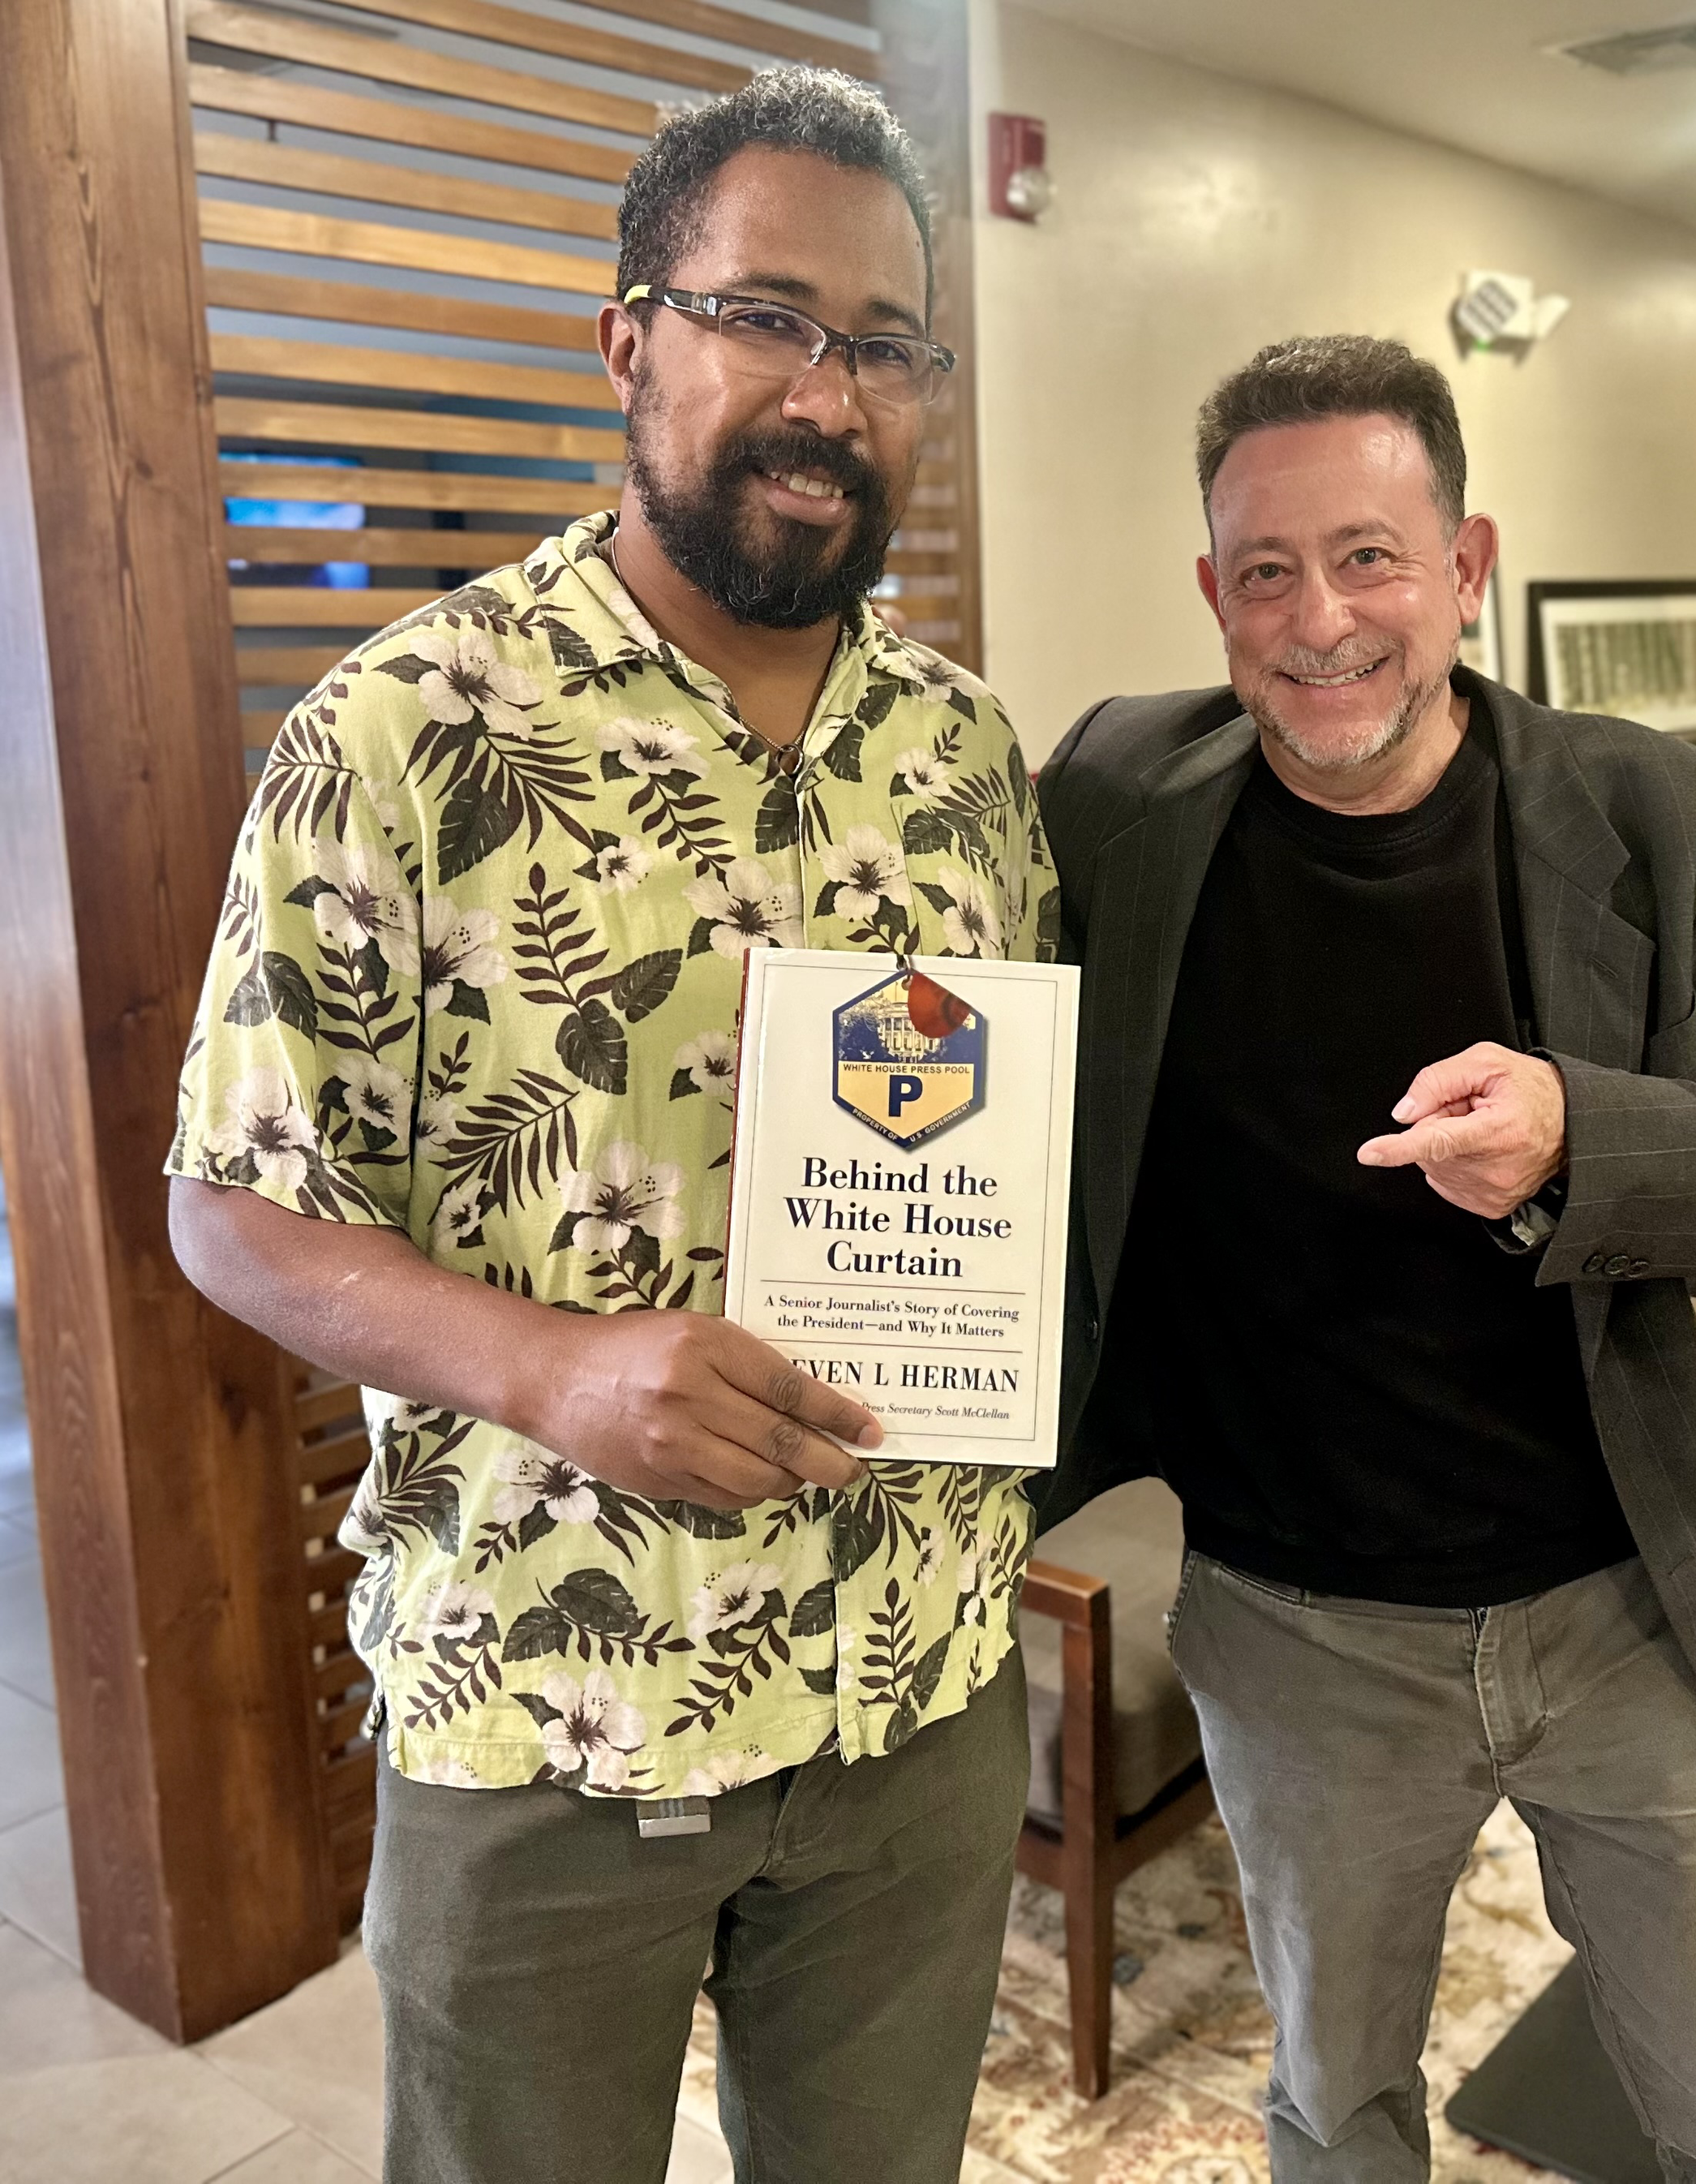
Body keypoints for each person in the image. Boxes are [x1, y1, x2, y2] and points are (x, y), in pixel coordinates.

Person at [165, 68, 1056, 2184]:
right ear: (632, 336)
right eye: (766, 315)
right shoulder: (402, 729)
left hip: (910, 1692)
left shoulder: (964, 755)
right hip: (550, 1715)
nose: (825, 391)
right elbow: (236, 1207)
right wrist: (552, 1364)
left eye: (884, 345)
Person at [1034, 335, 1696, 2183]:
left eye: (1368, 556)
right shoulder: (1113, 798)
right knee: (1335, 2112)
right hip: (1291, 1629)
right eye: (1263, 570)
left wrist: (1589, 1127)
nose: (1318, 617)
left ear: (1466, 564)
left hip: (1625, 1605)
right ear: (1210, 592)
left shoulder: (1672, 818)